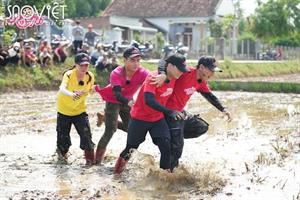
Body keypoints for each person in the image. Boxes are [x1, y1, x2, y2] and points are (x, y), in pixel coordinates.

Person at [114, 54, 190, 174]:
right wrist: (170, 112)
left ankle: (164, 177)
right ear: (170, 66)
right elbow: (149, 100)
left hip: (157, 119)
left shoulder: (175, 77)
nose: (182, 72)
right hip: (140, 118)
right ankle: (117, 173)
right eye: (180, 69)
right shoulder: (153, 78)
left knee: (166, 147)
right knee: (131, 148)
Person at [153, 56, 232, 171]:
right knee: (177, 148)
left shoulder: (201, 82)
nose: (212, 74)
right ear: (201, 67)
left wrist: (223, 109)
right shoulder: (185, 72)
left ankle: (172, 138)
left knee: (201, 127)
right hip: (169, 112)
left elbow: (209, 95)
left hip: (181, 112)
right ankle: (169, 173)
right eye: (210, 70)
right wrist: (162, 73)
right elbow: (163, 61)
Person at [93, 46, 149, 165]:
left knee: (132, 130)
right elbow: (117, 94)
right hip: (113, 100)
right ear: (124, 60)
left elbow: (152, 81)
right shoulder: (117, 73)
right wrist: (129, 102)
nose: (136, 64)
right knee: (110, 130)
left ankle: (105, 118)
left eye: (138, 60)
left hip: (128, 100)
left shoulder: (143, 73)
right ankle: (96, 161)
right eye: (132, 60)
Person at [56, 53, 95, 165]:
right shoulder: (69, 74)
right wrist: (71, 94)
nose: (84, 68)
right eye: (81, 65)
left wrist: (94, 90)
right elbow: (62, 88)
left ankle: (90, 163)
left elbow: (90, 89)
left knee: (87, 137)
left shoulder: (90, 76)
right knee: (63, 140)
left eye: (86, 65)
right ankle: (62, 161)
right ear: (76, 65)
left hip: (80, 111)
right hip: (64, 111)